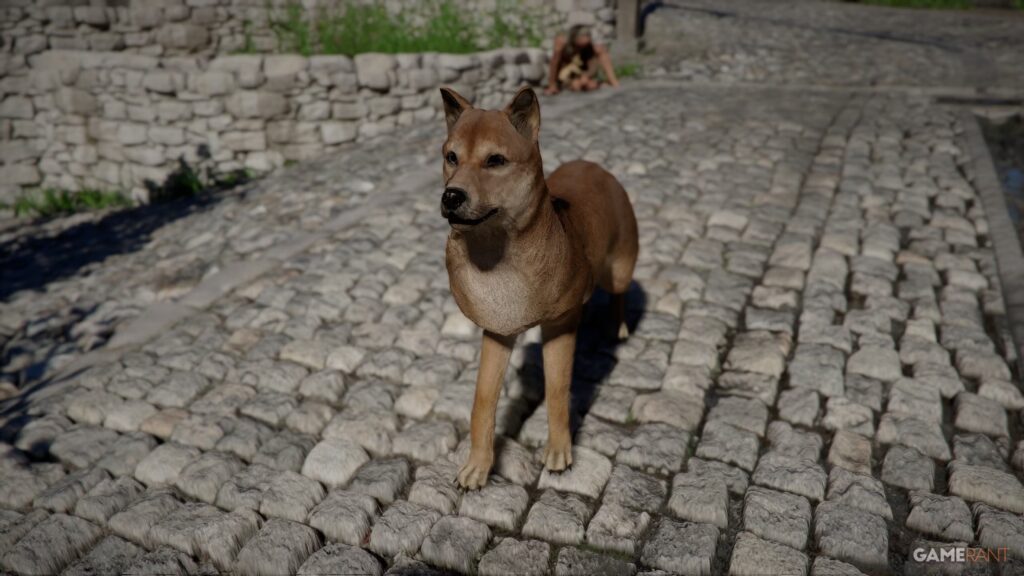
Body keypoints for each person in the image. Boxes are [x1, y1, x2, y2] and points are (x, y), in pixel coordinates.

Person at [544, 25, 620, 95]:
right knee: (576, 85)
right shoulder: (562, 41)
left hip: (583, 70)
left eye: (585, 46)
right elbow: (554, 62)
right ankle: (562, 84)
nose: (581, 48)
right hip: (566, 72)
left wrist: (586, 75)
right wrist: (552, 85)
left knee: (591, 85)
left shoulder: (592, 45)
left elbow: (593, 63)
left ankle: (612, 80)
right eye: (580, 46)